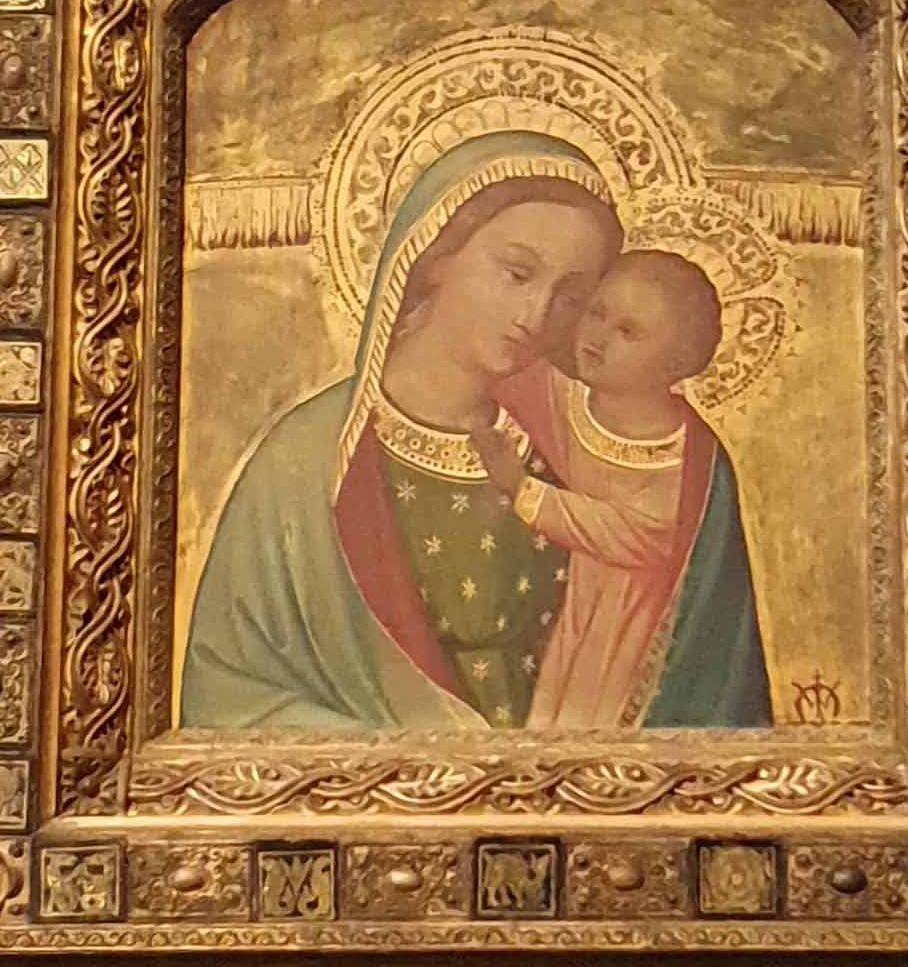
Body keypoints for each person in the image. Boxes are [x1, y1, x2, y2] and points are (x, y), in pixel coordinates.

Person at [178, 137, 774, 735]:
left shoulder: (578, 440)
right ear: (436, 255)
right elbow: (227, 699)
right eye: (517, 273)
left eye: (571, 296)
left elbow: (706, 692)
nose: (536, 314)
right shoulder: (307, 461)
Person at [482, 250, 771, 733]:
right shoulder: (561, 397)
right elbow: (497, 377)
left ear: (676, 363)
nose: (599, 336)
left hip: (628, 630)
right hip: (562, 612)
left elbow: (630, 532)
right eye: (597, 312)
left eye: (628, 331)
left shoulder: (685, 457)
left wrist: (523, 490)